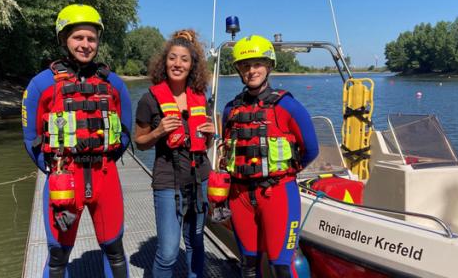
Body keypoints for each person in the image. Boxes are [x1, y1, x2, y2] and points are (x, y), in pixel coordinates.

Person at [21, 4, 132, 277]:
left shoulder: (114, 84)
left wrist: (104, 158)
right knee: (58, 255)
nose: (85, 44)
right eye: (78, 38)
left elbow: (126, 132)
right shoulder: (41, 84)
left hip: (105, 175)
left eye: (91, 38)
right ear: (64, 39)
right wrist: (52, 169)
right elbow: (29, 137)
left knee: (114, 248)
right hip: (64, 178)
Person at [221, 35, 319, 278]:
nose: (251, 70)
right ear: (238, 70)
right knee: (248, 264)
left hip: (277, 194)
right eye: (245, 65)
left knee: (282, 266)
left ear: (269, 66)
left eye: (257, 64)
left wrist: (282, 174)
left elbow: (311, 150)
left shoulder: (288, 106)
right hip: (240, 196)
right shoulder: (230, 109)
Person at [134, 29, 214, 278]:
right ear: (164, 61)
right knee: (168, 251)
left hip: (200, 178)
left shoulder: (201, 98)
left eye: (184, 59)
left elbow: (205, 144)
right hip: (168, 180)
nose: (177, 64)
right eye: (172, 58)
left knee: (196, 243)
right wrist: (158, 131)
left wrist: (211, 135)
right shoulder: (149, 100)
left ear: (192, 66)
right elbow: (140, 142)